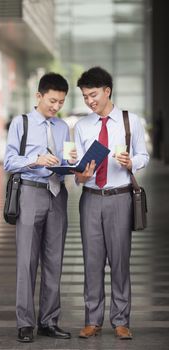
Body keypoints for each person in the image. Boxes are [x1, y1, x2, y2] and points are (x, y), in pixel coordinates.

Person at [73, 67, 149, 340]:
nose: (89, 101)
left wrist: (132, 162)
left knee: (120, 261)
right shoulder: (82, 126)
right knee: (92, 262)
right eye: (84, 96)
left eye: (93, 94)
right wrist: (80, 175)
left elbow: (143, 155)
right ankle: (92, 320)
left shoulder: (131, 121)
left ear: (107, 91)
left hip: (119, 198)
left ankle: (121, 320)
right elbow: (78, 171)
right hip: (91, 199)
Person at [4, 72, 77, 343]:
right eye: (52, 101)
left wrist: (72, 162)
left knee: (54, 261)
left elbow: (65, 159)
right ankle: (25, 323)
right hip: (30, 194)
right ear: (39, 96)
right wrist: (36, 160)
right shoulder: (20, 123)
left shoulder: (61, 127)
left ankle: (48, 321)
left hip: (58, 195)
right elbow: (9, 162)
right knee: (27, 261)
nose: (56, 107)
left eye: (60, 102)